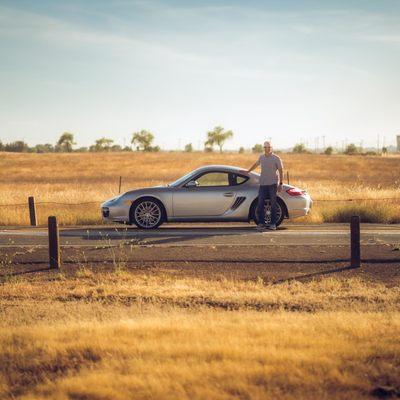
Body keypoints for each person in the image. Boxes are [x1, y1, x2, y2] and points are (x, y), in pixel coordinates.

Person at [242, 141, 283, 230]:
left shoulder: (276, 158)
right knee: (260, 204)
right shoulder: (261, 157)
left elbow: (280, 171)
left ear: (271, 148)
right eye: (265, 147)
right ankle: (261, 223)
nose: (267, 149)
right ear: (263, 148)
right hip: (263, 185)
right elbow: (256, 164)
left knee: (273, 205)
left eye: (268, 147)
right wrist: (248, 171)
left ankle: (273, 224)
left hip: (272, 185)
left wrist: (281, 184)